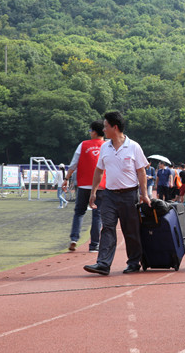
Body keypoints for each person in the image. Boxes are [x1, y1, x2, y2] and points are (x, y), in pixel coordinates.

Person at [84, 111, 150, 275]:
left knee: (131, 230)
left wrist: (144, 194)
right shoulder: (105, 147)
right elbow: (99, 170)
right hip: (109, 195)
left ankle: (134, 263)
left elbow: (141, 172)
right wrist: (93, 192)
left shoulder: (133, 146)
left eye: (106, 126)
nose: (103, 130)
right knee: (107, 228)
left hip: (129, 195)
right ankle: (103, 264)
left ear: (115, 127)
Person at [63, 120, 106, 253]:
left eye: (90, 131)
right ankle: (94, 245)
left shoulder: (83, 145)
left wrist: (66, 179)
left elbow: (73, 164)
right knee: (97, 215)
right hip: (101, 186)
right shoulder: (107, 146)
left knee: (79, 212)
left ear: (94, 132)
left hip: (83, 185)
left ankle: (74, 238)